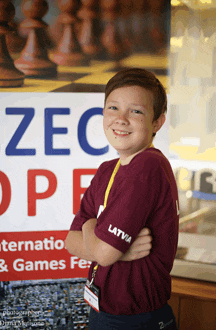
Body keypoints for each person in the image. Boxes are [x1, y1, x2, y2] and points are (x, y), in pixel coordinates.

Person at [65, 68, 179, 329]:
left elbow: (103, 254)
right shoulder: (108, 169)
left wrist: (91, 228)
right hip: (104, 311)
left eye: (136, 111)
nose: (121, 119)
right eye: (113, 107)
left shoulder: (147, 166)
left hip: (136, 320)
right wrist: (120, 252)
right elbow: (70, 242)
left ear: (157, 122)